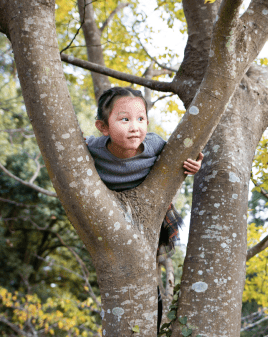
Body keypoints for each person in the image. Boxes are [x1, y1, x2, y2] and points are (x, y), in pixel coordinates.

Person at [85, 87, 203, 332]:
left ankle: (158, 305)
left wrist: (196, 164)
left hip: (151, 211)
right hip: (113, 213)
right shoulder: (93, 148)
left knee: (151, 262)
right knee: (127, 267)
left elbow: (186, 155)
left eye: (141, 119)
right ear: (103, 127)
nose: (134, 127)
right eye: (124, 119)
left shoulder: (154, 144)